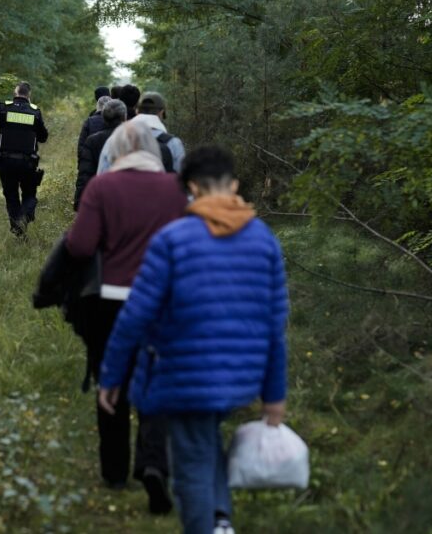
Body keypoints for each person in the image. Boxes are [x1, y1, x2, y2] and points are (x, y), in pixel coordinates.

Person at [98, 146, 289, 534]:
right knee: (206, 444)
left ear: (191, 189)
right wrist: (274, 396)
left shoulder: (172, 239)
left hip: (183, 377)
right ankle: (221, 519)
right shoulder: (263, 239)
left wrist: (112, 375)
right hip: (240, 374)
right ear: (233, 185)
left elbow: (136, 314)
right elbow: (275, 323)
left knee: (191, 468)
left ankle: (209, 524)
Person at [65, 120, 188, 514]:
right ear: (154, 151)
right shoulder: (175, 189)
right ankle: (153, 462)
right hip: (161, 302)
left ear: (115, 152)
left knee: (111, 377)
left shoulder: (101, 187)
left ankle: (114, 471)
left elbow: (81, 245)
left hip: (111, 302)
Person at [0, 82, 49, 237]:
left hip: (6, 162)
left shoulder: (2, 108)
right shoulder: (35, 112)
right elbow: (43, 137)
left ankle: (18, 229)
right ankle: (24, 217)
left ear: (15, 93)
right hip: (27, 163)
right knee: (29, 195)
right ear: (29, 95)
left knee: (11, 195)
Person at [96, 91, 184, 175]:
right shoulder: (173, 143)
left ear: (137, 111)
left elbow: (103, 173)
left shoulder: (115, 140)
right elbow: (182, 182)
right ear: (161, 112)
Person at [75, 99, 126, 210]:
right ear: (124, 117)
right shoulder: (133, 139)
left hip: (100, 198)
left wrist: (79, 201)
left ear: (104, 117)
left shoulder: (93, 140)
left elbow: (85, 173)